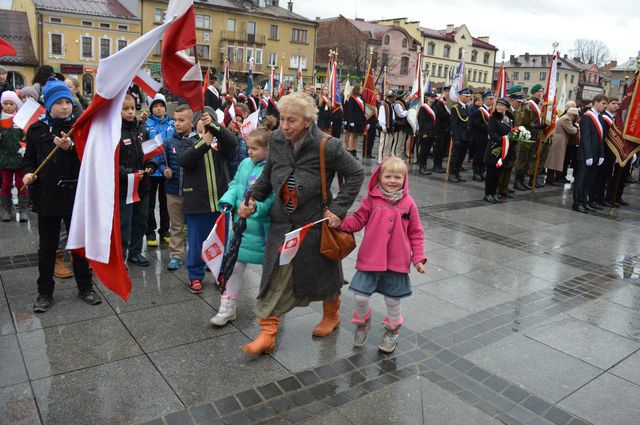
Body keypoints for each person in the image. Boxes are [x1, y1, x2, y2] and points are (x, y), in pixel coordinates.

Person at [240, 93, 363, 355]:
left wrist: (338, 209)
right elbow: (267, 174)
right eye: (282, 119)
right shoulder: (276, 139)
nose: (284, 125)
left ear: (308, 121)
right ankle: (268, 333)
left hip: (314, 223)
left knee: (325, 274)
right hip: (281, 222)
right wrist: (251, 198)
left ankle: (332, 315)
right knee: (274, 275)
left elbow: (355, 173)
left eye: (291, 121)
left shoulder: (327, 145)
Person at [22, 78, 101, 312]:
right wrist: (28, 174)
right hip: (47, 200)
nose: (65, 106)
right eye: (59, 102)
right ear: (49, 105)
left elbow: (89, 161)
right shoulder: (36, 130)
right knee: (47, 247)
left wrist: (72, 149)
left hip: (74, 197)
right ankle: (45, 292)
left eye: (68, 101)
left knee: (78, 245)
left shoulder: (78, 128)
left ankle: (85, 286)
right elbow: (29, 161)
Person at [338, 157, 425, 353]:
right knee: (360, 296)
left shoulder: (409, 203)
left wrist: (418, 258)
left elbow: (416, 233)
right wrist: (340, 222)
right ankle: (363, 322)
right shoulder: (371, 200)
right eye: (388, 176)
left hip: (397, 261)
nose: (392, 180)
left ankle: (392, 331)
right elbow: (358, 220)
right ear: (379, 177)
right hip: (371, 258)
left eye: (397, 177)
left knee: (393, 300)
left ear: (404, 179)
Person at [211, 117, 277, 326]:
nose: (249, 152)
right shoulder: (245, 164)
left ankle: (271, 312)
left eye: (255, 149)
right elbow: (235, 186)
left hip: (264, 232)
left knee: (270, 274)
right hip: (241, 228)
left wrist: (257, 209)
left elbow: (273, 200)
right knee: (234, 267)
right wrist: (227, 202)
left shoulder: (274, 169)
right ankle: (227, 307)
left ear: (268, 149)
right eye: (248, 148)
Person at [178, 110, 237, 293]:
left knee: (221, 242)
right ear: (195, 123)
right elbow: (185, 160)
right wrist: (205, 141)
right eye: (201, 120)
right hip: (197, 203)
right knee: (196, 243)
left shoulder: (221, 143)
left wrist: (214, 127)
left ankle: (221, 272)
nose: (204, 123)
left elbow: (233, 143)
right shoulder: (188, 141)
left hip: (220, 203)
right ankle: (195, 276)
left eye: (208, 120)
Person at [118, 94, 157, 266]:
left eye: (132, 108)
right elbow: (112, 163)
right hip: (124, 186)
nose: (130, 112)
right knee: (124, 223)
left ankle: (135, 252)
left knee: (141, 220)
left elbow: (151, 152)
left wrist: (151, 165)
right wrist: (130, 173)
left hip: (143, 185)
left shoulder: (142, 128)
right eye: (125, 108)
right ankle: (120, 256)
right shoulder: (114, 131)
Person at [160, 104, 192, 271]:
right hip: (173, 191)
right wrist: (163, 170)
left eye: (181, 120)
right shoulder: (169, 141)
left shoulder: (196, 141)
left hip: (192, 193)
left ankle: (196, 253)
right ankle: (176, 254)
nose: (177, 123)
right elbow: (160, 160)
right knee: (176, 225)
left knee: (193, 225)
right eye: (175, 120)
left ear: (192, 122)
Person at [143, 93, 174, 247]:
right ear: (151, 108)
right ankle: (150, 232)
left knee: (165, 203)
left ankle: (165, 231)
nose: (159, 108)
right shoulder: (146, 124)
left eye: (161, 105)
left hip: (166, 170)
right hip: (151, 170)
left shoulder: (172, 124)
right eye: (155, 106)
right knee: (149, 204)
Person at [573, 94, 608, 213]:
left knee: (589, 180)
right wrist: (588, 155)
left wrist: (601, 154)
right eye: (603, 103)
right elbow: (585, 138)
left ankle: (584, 201)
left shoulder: (601, 118)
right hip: (585, 155)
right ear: (596, 102)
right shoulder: (587, 117)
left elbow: (601, 139)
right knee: (581, 180)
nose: (605, 106)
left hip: (596, 155)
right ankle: (577, 203)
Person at [514, 84, 546, 190]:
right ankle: (517, 181)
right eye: (539, 91)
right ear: (533, 92)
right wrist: (538, 126)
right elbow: (524, 121)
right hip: (525, 135)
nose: (540, 93)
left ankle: (522, 180)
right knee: (521, 159)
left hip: (533, 136)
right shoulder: (529, 104)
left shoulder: (538, 105)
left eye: (541, 91)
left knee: (528, 159)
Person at [0, 91, 26, 221]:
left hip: (19, 157)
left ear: (16, 105)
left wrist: (24, 144)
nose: (8, 106)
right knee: (5, 184)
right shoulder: (1, 119)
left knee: (21, 183)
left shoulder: (20, 120)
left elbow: (26, 137)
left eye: (11, 103)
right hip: (4, 158)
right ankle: (6, 209)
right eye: (5, 103)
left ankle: (22, 210)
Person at [590, 98, 618, 208]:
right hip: (604, 153)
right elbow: (603, 137)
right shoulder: (605, 118)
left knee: (605, 177)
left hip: (610, 154)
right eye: (613, 103)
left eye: (617, 104)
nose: (616, 106)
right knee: (599, 177)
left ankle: (601, 198)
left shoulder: (613, 119)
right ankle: (595, 198)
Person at [483, 98, 513, 203]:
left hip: (503, 150)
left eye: (502, 105)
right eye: (498, 105)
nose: (499, 107)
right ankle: (488, 194)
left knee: (497, 173)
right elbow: (492, 134)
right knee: (491, 173)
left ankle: (494, 192)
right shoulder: (493, 118)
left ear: (506, 107)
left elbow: (511, 132)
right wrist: (504, 140)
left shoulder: (509, 119)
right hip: (494, 149)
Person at [544, 107, 579, 186]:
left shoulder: (565, 117)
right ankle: (550, 180)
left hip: (560, 139)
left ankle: (551, 179)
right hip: (559, 141)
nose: (575, 118)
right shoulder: (566, 119)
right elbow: (572, 131)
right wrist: (577, 128)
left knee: (554, 160)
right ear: (572, 115)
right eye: (575, 116)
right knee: (554, 161)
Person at [449, 88, 472, 182]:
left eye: (469, 97)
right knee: (456, 156)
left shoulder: (467, 107)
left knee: (462, 156)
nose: (468, 98)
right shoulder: (455, 108)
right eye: (466, 96)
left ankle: (457, 173)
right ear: (460, 96)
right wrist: (455, 138)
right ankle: (452, 174)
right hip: (459, 136)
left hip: (466, 136)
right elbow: (453, 125)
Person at [471, 92, 493, 181]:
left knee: (484, 156)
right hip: (479, 138)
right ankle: (476, 173)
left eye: (492, 99)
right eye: (490, 99)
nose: (492, 101)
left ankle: (481, 171)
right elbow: (475, 123)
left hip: (487, 138)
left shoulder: (490, 110)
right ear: (485, 100)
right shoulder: (480, 110)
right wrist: (487, 126)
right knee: (478, 156)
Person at [417, 92, 438, 175]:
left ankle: (425, 166)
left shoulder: (433, 108)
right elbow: (421, 121)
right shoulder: (423, 108)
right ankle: (421, 167)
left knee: (427, 151)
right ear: (427, 97)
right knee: (423, 150)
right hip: (425, 133)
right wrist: (424, 133)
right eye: (431, 97)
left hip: (432, 132)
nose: (433, 98)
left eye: (434, 97)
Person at [431, 88, 451, 173]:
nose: (448, 93)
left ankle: (440, 165)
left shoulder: (450, 103)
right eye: (447, 92)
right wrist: (449, 113)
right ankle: (436, 165)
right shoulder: (439, 103)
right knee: (438, 148)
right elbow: (438, 115)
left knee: (444, 149)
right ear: (444, 92)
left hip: (447, 129)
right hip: (440, 129)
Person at [345, 84, 366, 159]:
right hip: (354, 119)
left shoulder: (362, 98)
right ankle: (350, 151)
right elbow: (350, 110)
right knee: (352, 134)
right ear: (356, 89)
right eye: (360, 89)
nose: (361, 90)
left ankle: (354, 150)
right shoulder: (352, 98)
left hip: (360, 119)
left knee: (357, 135)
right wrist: (351, 121)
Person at [377, 90, 396, 163]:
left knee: (388, 145)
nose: (394, 98)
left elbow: (392, 116)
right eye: (393, 97)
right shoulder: (383, 104)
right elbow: (381, 117)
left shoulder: (390, 105)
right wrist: (383, 127)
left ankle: (385, 159)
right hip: (385, 128)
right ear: (391, 97)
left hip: (390, 128)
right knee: (383, 145)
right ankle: (380, 161)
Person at [392, 91, 409, 158]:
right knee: (397, 143)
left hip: (402, 126)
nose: (405, 96)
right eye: (404, 95)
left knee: (401, 143)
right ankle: (394, 156)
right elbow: (401, 114)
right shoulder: (397, 104)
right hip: (398, 126)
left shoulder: (402, 103)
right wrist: (408, 112)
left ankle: (398, 157)